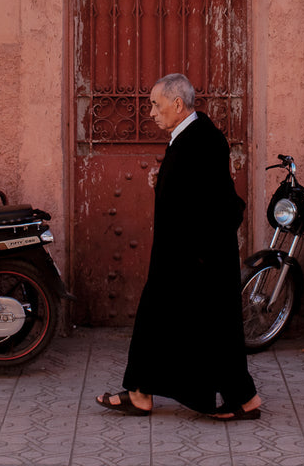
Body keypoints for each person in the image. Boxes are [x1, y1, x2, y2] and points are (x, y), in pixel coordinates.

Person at [96, 73, 261, 421]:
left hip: (196, 255)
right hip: (186, 253)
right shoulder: (187, 137)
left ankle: (240, 398)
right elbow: (192, 193)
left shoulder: (201, 140)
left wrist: (200, 254)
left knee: (206, 325)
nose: (152, 112)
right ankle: (145, 392)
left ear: (177, 104)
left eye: (156, 105)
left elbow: (214, 201)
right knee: (189, 323)